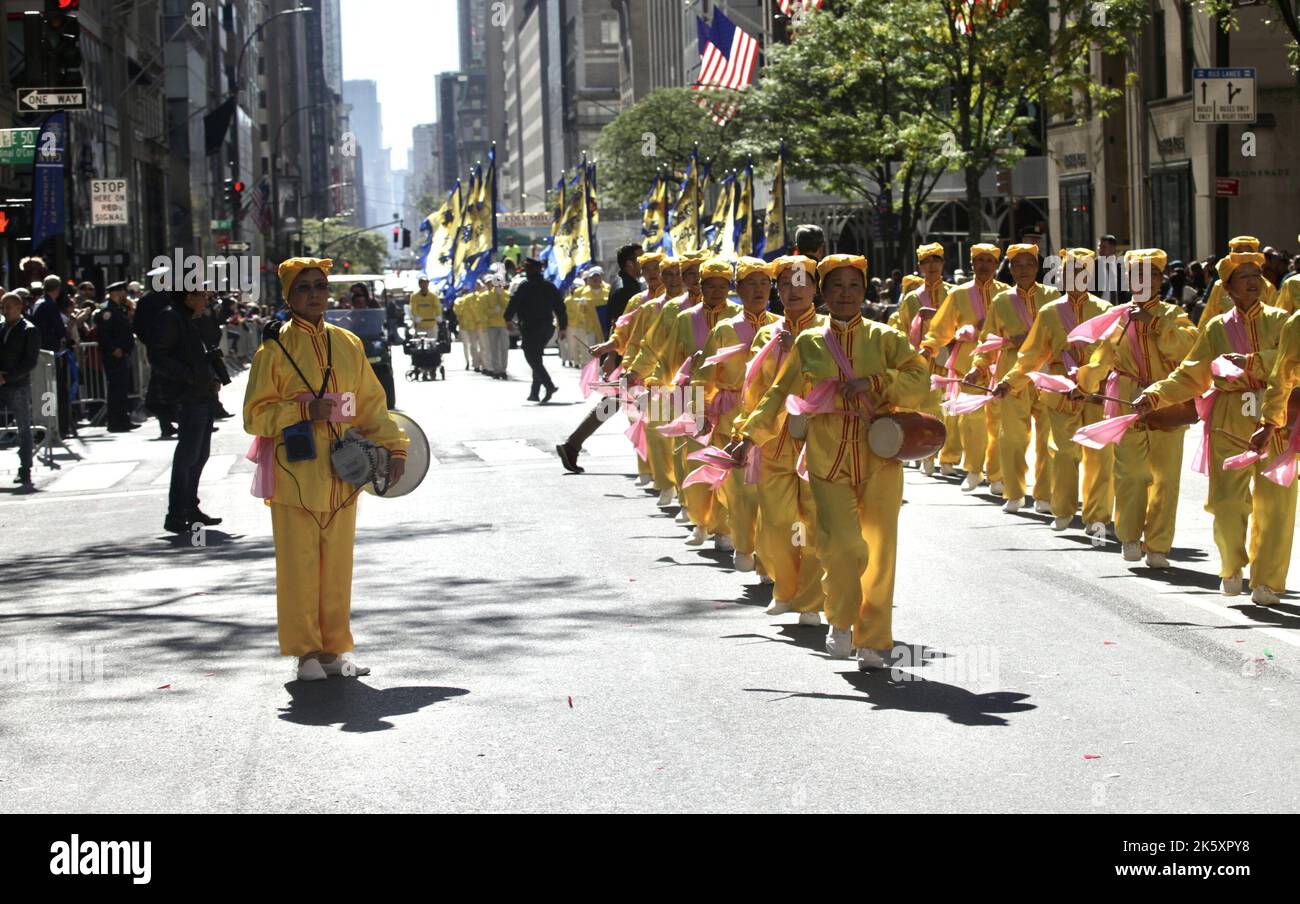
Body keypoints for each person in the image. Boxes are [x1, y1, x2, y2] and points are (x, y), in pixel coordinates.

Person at [734, 254, 929, 670]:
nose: (845, 294)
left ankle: (874, 639)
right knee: (841, 543)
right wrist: (749, 436)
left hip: (880, 456)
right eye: (836, 286)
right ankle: (841, 621)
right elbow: (777, 393)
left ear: (864, 290)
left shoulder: (885, 336)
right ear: (824, 291)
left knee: (880, 550)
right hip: (825, 456)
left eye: (854, 286)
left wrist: (877, 383)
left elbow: (919, 376)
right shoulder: (808, 343)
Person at [244, 258, 410, 680]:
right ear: (288, 295)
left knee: (337, 565)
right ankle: (306, 655)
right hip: (295, 474)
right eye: (304, 287)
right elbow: (254, 416)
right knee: (299, 565)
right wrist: (302, 408)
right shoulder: (275, 348)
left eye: (320, 285)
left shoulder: (349, 343)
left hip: (345, 470)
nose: (315, 293)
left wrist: (395, 449)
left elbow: (372, 406)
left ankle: (334, 650)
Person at [1139, 251, 1292, 604]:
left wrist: (1254, 361)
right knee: (1226, 503)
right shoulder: (1215, 327)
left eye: (1257, 274)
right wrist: (1155, 394)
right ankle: (1232, 566)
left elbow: (1291, 364)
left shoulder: (1282, 322)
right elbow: (1191, 375)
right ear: (1227, 287)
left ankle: (1267, 581)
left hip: (1277, 419)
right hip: (1228, 420)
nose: (1254, 281)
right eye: (1244, 277)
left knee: (1276, 505)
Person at [1076, 249, 1196, 568]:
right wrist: (1084, 383)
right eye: (1137, 275)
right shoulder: (1115, 316)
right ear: (1127, 279)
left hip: (1166, 399)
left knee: (1165, 478)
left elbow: (1188, 349)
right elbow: (1101, 356)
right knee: (1130, 473)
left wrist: (1155, 324)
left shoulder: (1174, 315)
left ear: (1161, 280)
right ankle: (1130, 536)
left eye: (1152, 275)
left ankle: (1158, 545)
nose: (1144, 281)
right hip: (1126, 399)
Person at [727, 255, 826, 622]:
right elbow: (753, 390)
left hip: (819, 441)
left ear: (815, 288)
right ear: (777, 289)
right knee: (776, 524)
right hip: (774, 442)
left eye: (801, 283)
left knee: (811, 521)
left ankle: (811, 600)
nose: (793, 291)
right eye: (785, 284)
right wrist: (744, 434)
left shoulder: (830, 329)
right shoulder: (767, 335)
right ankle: (785, 587)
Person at [994, 248, 1115, 540]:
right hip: (1061, 391)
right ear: (1061, 275)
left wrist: (1093, 381)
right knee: (1063, 453)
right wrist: (1010, 381)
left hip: (1095, 393)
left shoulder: (1105, 310)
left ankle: (1098, 516)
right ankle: (1063, 509)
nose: (1076, 277)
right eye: (1070, 272)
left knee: (1099, 456)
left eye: (1082, 272)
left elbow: (1111, 353)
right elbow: (1032, 356)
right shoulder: (1049, 313)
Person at [693, 257, 780, 570]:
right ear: (738, 289)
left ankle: (768, 559)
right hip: (731, 416)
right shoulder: (725, 329)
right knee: (741, 491)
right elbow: (705, 375)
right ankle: (742, 542)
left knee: (771, 494)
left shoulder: (780, 327)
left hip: (774, 422)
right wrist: (702, 410)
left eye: (764, 283)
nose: (758, 289)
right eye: (750, 283)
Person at [975, 243, 1060, 513]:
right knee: (1011, 438)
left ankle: (1045, 494)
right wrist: (980, 364)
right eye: (1017, 265)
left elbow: (1063, 334)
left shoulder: (1053, 296)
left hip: (1047, 373)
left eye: (1029, 264)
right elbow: (987, 339)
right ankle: (1014, 492)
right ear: (1009, 269)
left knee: (1048, 438)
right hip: (1012, 374)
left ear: (1038, 268)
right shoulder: (1001, 301)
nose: (1023, 270)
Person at [922, 243, 1010, 492]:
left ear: (996, 265)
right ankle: (973, 470)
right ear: (971, 264)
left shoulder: (1006, 294)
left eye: (989, 261)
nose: (983, 265)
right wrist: (928, 348)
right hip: (966, 365)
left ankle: (997, 475)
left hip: (1001, 364)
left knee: (999, 423)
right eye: (979, 260)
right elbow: (941, 328)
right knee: (972, 422)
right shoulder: (959, 294)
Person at [668, 257, 739, 547]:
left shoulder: (739, 315)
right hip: (694, 396)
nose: (717, 291)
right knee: (694, 460)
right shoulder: (685, 318)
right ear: (701, 286)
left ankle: (724, 528)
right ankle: (700, 522)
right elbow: (669, 358)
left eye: (723, 286)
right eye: (710, 285)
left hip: (730, 400)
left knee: (726, 463)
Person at [153, 288, 223, 534]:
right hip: (187, 397)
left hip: (202, 395)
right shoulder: (171, 318)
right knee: (187, 457)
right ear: (188, 296)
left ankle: (190, 508)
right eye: (202, 295)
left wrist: (212, 377)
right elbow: (159, 357)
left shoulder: (191, 319)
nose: (206, 299)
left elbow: (200, 355)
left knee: (199, 456)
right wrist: (190, 377)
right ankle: (176, 514)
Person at [888, 243, 950, 476]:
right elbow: (903, 330)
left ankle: (945, 455)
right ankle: (927, 453)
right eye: (926, 262)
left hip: (947, 358)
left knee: (944, 408)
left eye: (936, 260)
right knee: (924, 405)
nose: (931, 266)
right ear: (920, 266)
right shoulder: (912, 299)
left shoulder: (953, 294)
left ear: (943, 263)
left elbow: (959, 322)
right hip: (920, 359)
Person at [504, 257, 567, 403]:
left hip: (531, 328)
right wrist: (563, 327)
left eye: (528, 268)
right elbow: (560, 308)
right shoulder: (550, 286)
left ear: (535, 270)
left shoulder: (525, 286)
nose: (526, 270)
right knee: (536, 357)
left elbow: (514, 303)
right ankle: (534, 392)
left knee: (532, 357)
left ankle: (549, 385)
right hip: (546, 328)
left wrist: (507, 318)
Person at [1196, 237, 1280, 331]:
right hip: (1227, 339)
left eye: (1248, 256)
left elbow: (1275, 321)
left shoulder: (1268, 287)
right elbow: (1207, 319)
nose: (1243, 260)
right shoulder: (1220, 285)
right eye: (1239, 255)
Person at [0, 291, 40, 486]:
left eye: (8, 307)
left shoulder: (28, 330)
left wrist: (8, 376)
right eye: (2, 307)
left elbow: (29, 361)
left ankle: (25, 469)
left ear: (19, 307)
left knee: (23, 427)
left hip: (17, 385)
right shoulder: (1, 328)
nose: (4, 311)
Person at [133, 289, 179, 438]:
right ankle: (174, 422)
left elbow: (138, 327)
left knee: (162, 389)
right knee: (170, 387)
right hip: (170, 348)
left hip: (158, 348)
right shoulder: (169, 297)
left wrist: (150, 343)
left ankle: (166, 424)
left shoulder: (146, 300)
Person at [93, 281, 138, 433]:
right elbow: (104, 334)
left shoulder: (119, 309)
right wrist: (114, 348)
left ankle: (123, 419)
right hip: (114, 355)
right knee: (116, 388)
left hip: (122, 353)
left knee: (122, 388)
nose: (126, 294)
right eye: (123, 292)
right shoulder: (107, 311)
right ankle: (115, 421)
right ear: (116, 293)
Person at [32, 275, 73, 439]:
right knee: (55, 392)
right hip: (50, 353)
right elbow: (58, 328)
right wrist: (65, 338)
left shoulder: (39, 303)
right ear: (57, 289)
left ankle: (46, 427)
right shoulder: (49, 305)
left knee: (44, 393)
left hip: (42, 354)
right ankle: (56, 427)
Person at [603, 243, 644, 337]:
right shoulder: (622, 289)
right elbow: (618, 326)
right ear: (630, 263)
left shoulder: (631, 284)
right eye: (641, 259)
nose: (645, 262)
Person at [480, 275, 509, 379]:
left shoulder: (506, 294)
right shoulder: (486, 296)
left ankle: (503, 370)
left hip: (503, 324)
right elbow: (484, 310)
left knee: (504, 348)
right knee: (494, 349)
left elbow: (507, 307)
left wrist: (500, 296)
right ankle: (496, 370)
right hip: (491, 325)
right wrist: (493, 311)